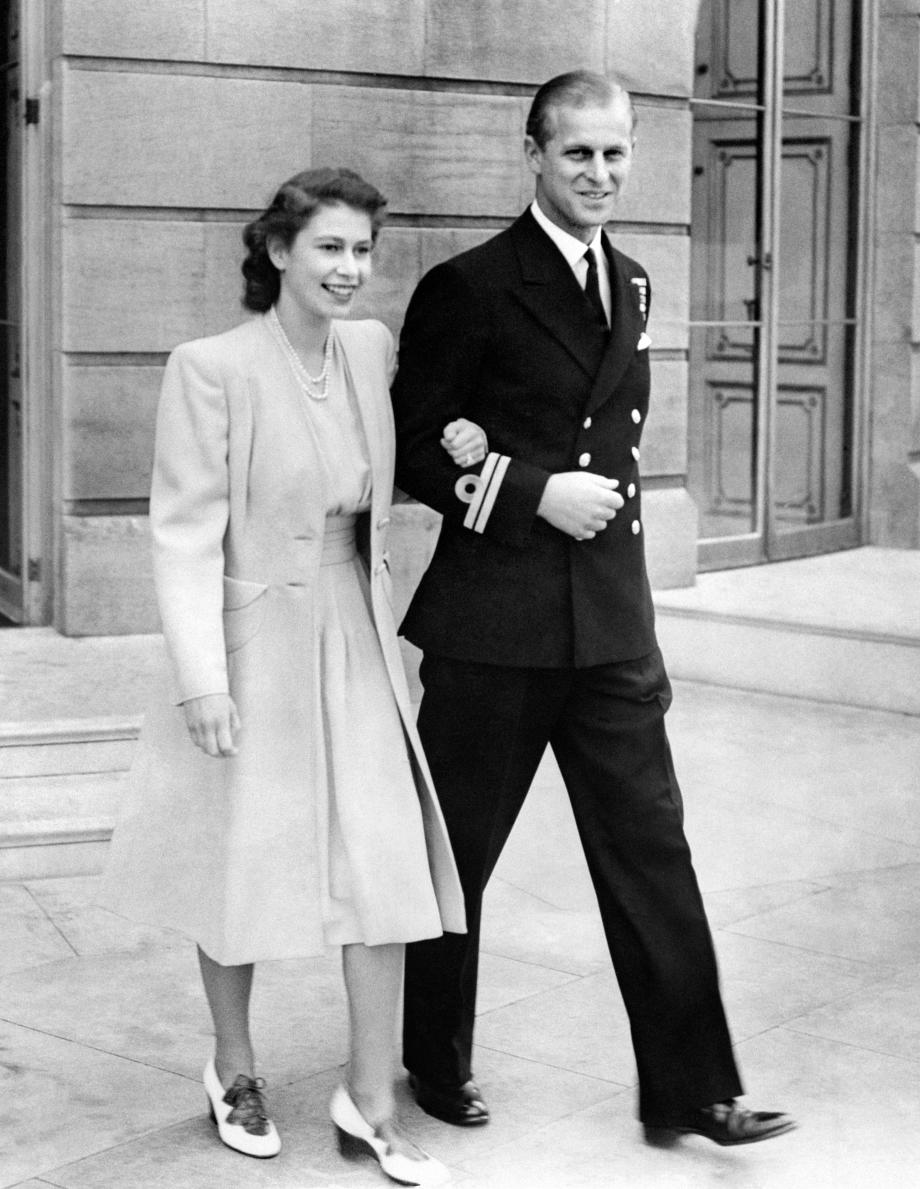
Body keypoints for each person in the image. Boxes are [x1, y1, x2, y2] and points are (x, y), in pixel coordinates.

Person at [391, 72, 796, 1147]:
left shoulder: (638, 283)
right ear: (533, 154)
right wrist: (530, 492)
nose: (601, 175)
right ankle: (434, 1058)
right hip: (493, 631)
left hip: (609, 627)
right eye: (579, 154)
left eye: (616, 155)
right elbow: (414, 447)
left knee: (653, 849)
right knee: (457, 853)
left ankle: (697, 1090)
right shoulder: (470, 286)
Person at [99, 167, 485, 1186]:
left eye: (362, 249)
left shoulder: (370, 349)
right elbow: (183, 532)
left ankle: (370, 1096)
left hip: (353, 630)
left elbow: (432, 429)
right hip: (250, 641)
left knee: (384, 866)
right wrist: (200, 679)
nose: (350, 269)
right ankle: (232, 1068)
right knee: (241, 861)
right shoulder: (210, 367)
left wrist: (465, 437)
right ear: (277, 252)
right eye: (329, 247)